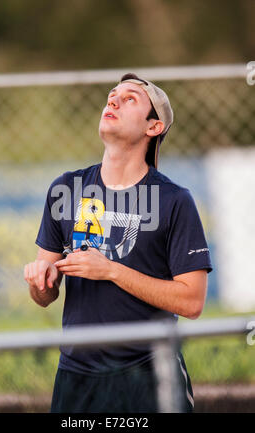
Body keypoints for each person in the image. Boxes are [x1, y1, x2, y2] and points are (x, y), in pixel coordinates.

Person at [24, 73, 212, 413]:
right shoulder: (66, 188)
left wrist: (110, 270)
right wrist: (41, 281)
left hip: (149, 372)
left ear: (153, 127)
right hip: (76, 374)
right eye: (112, 95)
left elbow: (192, 301)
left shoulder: (174, 200)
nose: (113, 101)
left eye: (130, 99)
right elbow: (44, 296)